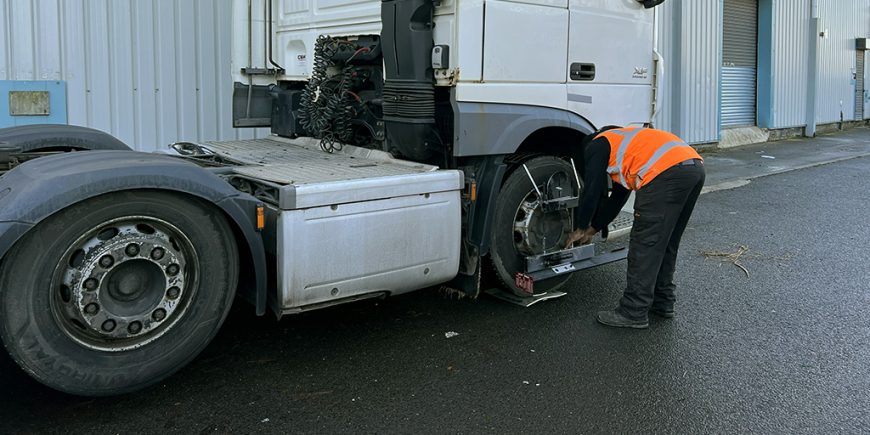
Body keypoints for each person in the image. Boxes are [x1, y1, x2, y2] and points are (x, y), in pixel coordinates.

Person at [565, 126, 705, 329]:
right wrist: (593, 228)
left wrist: (580, 227)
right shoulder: (626, 147)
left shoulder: (597, 144)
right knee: (666, 242)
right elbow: (617, 199)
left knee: (645, 244)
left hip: (665, 174)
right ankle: (663, 301)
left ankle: (633, 311)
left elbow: (592, 189)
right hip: (694, 169)